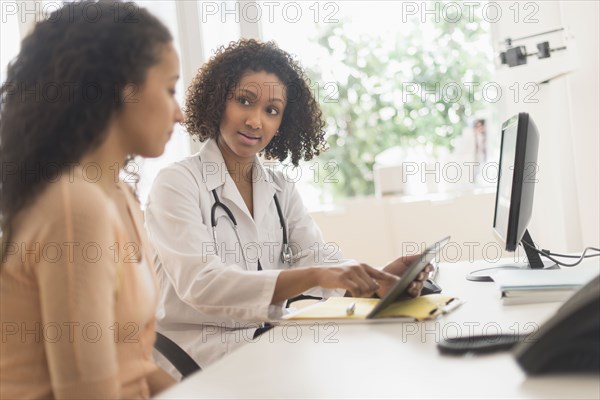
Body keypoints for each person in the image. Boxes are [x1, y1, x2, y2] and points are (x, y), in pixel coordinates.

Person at [144, 39, 432, 374]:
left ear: (283, 122)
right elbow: (202, 284)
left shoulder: (280, 187)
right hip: (196, 359)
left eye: (271, 110)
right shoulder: (177, 183)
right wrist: (317, 274)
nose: (255, 121)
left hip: (263, 343)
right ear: (218, 99)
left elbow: (318, 259)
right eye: (244, 101)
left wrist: (377, 277)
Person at [0, 1, 183, 398]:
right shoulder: (73, 207)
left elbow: (132, 365)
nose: (180, 113)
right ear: (123, 89)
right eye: (170, 89)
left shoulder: (120, 196)